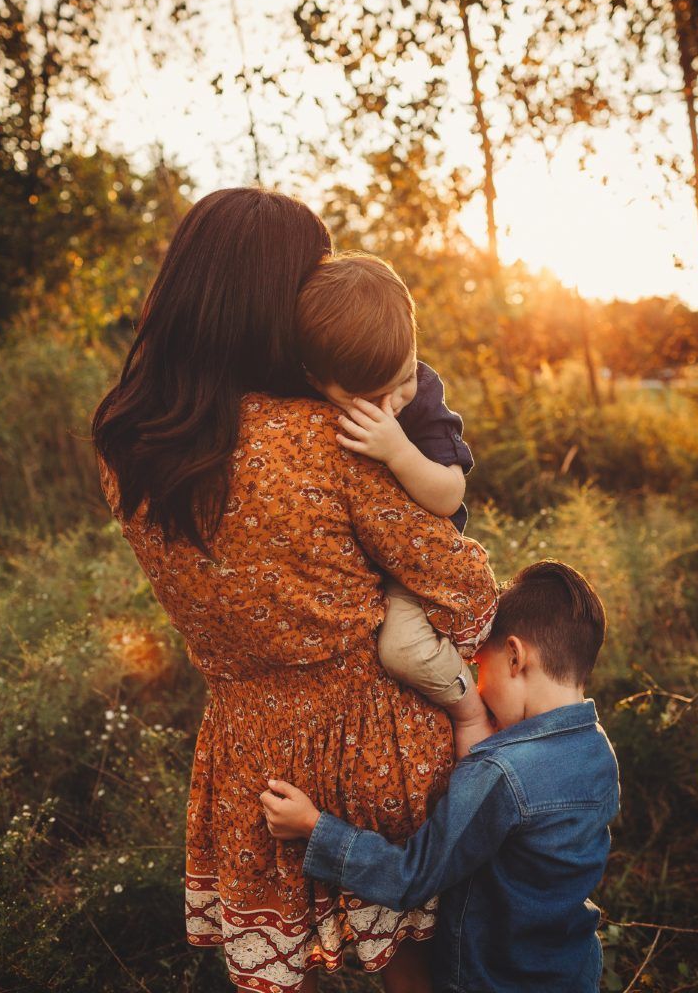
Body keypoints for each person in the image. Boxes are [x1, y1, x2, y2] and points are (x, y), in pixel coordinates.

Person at [92, 188, 498, 993]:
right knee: (415, 962)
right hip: (375, 735)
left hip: (248, 750)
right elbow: (463, 585)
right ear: (274, 304)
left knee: (280, 975)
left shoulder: (126, 446)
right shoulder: (319, 437)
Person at [261, 561, 621, 993]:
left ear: (514, 655)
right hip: (570, 971)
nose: (477, 687)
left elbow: (411, 877)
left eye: (478, 668)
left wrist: (313, 827)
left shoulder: (500, 774)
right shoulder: (598, 748)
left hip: (493, 978)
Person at [296, 253, 487, 760]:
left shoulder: (422, 393)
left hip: (417, 568)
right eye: (371, 397)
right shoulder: (307, 402)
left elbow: (450, 495)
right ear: (317, 383)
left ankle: (469, 708)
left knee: (400, 651)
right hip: (355, 567)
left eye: (401, 378)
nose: (394, 402)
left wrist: (399, 450)